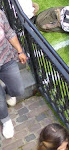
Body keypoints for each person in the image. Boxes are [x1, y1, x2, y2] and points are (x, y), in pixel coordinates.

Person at [0, 8, 27, 139]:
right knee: (0, 102)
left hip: (6, 59)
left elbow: (9, 33)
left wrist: (20, 51)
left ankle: (7, 89)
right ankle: (6, 121)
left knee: (18, 90)